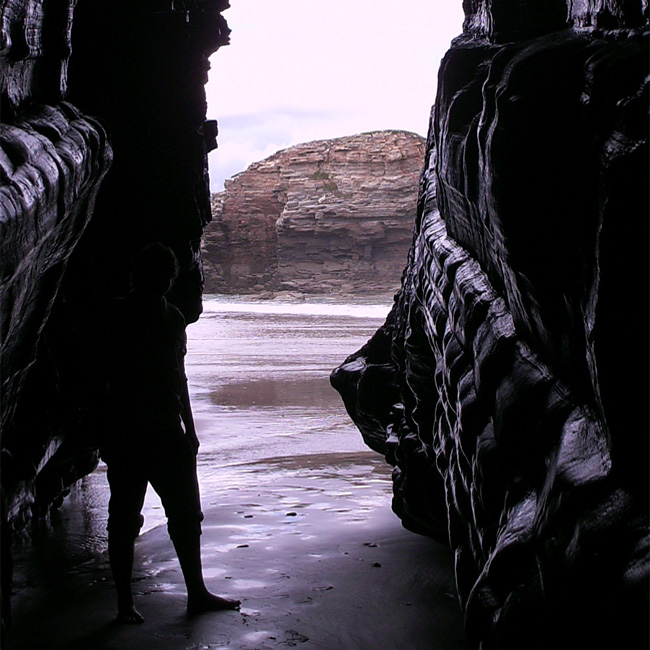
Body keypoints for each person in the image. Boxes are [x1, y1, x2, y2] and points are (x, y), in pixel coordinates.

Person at [101, 242, 239, 624]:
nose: (162, 281)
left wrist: (191, 431)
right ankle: (125, 604)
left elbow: (180, 378)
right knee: (125, 520)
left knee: (186, 517)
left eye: (167, 275)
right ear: (138, 276)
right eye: (154, 274)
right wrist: (106, 433)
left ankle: (197, 593)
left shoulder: (174, 318)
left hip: (168, 429)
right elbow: (101, 380)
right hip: (129, 431)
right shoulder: (117, 314)